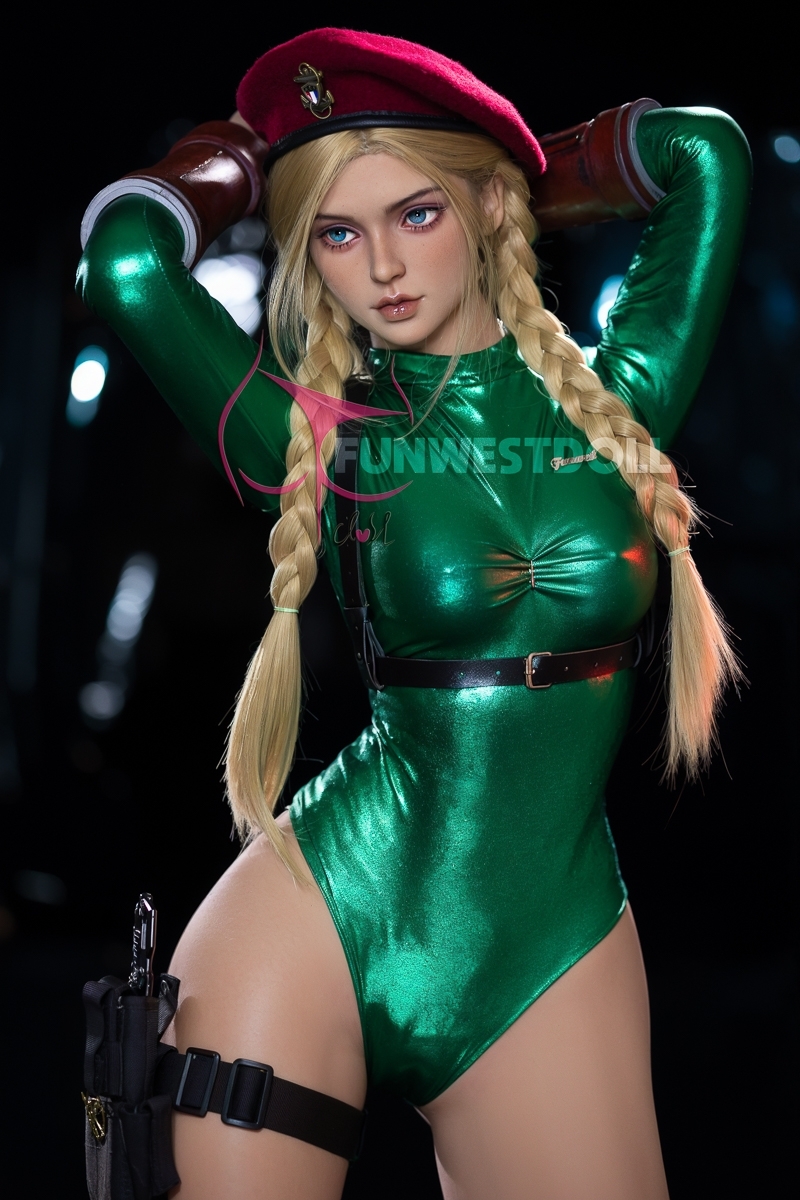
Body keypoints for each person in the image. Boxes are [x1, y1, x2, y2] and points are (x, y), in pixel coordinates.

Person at [77, 27, 750, 1200]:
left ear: (482, 208)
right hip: (321, 929)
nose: (381, 265)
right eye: (335, 232)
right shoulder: (317, 441)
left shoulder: (617, 399)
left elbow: (703, 154)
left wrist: (511, 177)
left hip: (552, 945)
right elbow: (128, 264)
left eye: (417, 213)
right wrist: (239, 162)